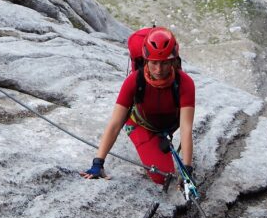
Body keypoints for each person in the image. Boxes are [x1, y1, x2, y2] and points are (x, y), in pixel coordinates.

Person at [81, 27, 195, 185]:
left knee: (167, 175)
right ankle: (149, 143)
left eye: (164, 63)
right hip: (140, 125)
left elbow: (186, 127)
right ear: (146, 59)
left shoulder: (185, 83)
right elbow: (115, 124)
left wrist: (187, 169)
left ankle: (158, 141)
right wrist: (98, 163)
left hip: (167, 126)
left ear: (173, 61)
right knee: (163, 176)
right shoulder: (134, 81)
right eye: (154, 63)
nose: (159, 69)